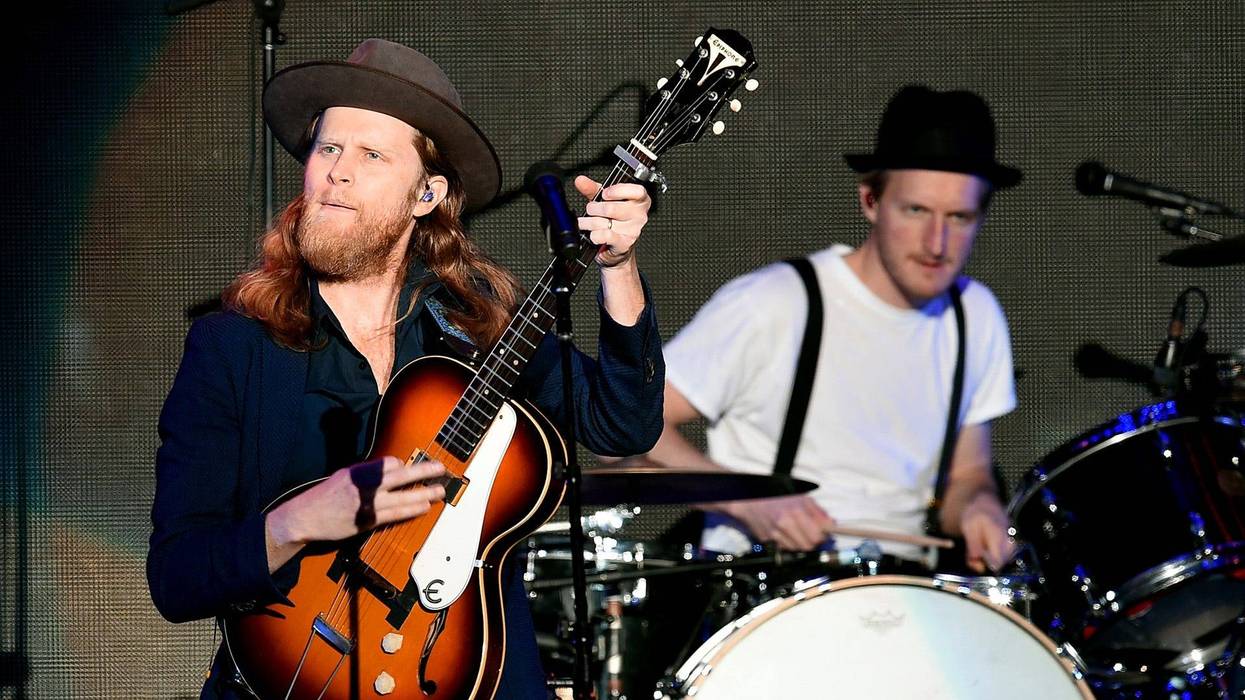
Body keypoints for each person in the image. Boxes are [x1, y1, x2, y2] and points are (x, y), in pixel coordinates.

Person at [146, 39, 664, 699]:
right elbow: (177, 577)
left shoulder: (479, 330)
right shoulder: (233, 347)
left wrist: (617, 269)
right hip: (293, 676)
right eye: (328, 149)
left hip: (475, 675)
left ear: (427, 193)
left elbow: (622, 425)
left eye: (371, 155)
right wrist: (299, 520)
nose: (337, 172)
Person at [644, 85, 1021, 574]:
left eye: (959, 217)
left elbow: (967, 472)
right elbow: (632, 432)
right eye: (916, 211)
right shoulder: (777, 302)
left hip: (909, 588)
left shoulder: (975, 313)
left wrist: (977, 507)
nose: (936, 242)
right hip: (770, 586)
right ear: (870, 200)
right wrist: (750, 501)